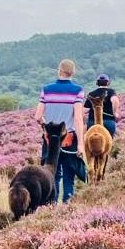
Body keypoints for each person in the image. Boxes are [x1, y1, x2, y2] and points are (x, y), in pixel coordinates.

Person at [35, 58, 86, 203]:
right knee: (69, 177)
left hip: (50, 140)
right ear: (72, 73)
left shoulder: (47, 89)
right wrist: (81, 143)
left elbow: (38, 117)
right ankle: (67, 208)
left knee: (52, 176)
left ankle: (51, 209)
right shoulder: (77, 91)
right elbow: (77, 118)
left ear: (59, 71)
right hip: (69, 139)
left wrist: (46, 127)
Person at [85, 74, 118, 138]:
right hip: (108, 121)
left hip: (93, 122)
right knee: (109, 144)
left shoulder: (91, 94)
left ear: (97, 83)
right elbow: (115, 100)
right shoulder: (111, 92)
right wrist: (115, 112)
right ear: (108, 83)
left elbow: (84, 110)